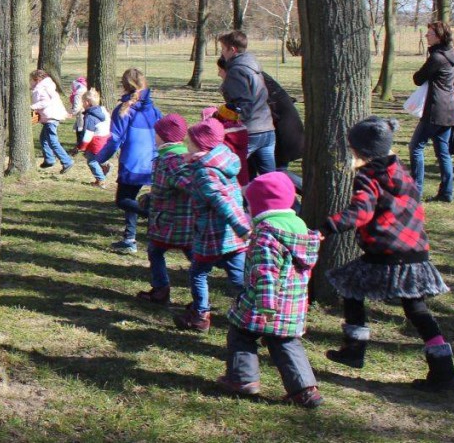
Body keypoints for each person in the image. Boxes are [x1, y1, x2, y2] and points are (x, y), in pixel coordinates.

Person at [321, 116, 454, 393]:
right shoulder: (401, 172)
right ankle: (445, 370)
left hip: (387, 249)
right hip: (415, 250)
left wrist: (328, 226)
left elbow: (361, 212)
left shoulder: (368, 177)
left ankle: (354, 349)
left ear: (359, 150)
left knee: (352, 288)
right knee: (415, 308)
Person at [217, 172, 323, 408]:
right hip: (293, 302)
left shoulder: (267, 235)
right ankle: (305, 390)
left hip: (265, 302)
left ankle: (242, 379)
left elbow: (266, 271)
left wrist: (266, 305)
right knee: (285, 342)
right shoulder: (300, 228)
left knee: (240, 334)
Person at [173, 118, 251, 332]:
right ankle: (254, 311)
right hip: (232, 238)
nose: (186, 147)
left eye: (190, 143)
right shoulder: (223, 162)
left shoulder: (205, 172)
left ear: (200, 146)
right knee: (238, 278)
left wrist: (243, 228)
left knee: (198, 273)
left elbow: (221, 201)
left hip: (212, 235)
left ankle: (201, 315)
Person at [94, 69, 163, 254]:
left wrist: (100, 157)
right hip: (152, 162)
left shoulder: (124, 110)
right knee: (130, 199)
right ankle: (129, 239)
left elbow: (115, 139)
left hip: (133, 163)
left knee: (123, 200)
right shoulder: (154, 110)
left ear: (124, 86)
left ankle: (154, 216)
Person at [135, 114, 194, 305]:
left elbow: (187, 185)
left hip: (171, 219)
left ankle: (163, 290)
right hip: (183, 220)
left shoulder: (170, 161)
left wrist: (155, 198)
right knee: (190, 256)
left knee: (157, 252)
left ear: (162, 136)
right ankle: (164, 290)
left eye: (157, 133)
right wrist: (152, 197)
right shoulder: (183, 157)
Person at [410, 21, 454, 203]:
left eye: (429, 34)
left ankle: (416, 191)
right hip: (449, 110)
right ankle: (447, 192)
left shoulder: (437, 58)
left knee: (416, 147)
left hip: (435, 109)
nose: (426, 36)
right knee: (443, 153)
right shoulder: (451, 55)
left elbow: (418, 78)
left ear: (439, 36)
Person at [217, 31, 276, 176]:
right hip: (267, 129)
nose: (222, 53)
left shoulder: (236, 71)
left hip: (251, 131)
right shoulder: (252, 66)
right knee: (270, 181)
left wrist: (224, 115)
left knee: (235, 175)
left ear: (232, 49)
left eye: (223, 49)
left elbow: (244, 105)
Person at [29, 69, 74, 173]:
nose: (30, 82)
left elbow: (45, 102)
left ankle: (67, 161)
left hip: (51, 118)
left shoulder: (41, 88)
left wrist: (32, 107)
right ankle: (49, 159)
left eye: (31, 80)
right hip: (50, 117)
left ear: (37, 79)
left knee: (52, 141)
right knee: (43, 139)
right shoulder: (46, 86)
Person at [76, 88, 111, 186]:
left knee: (91, 161)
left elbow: (88, 133)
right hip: (106, 138)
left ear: (87, 102)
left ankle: (101, 180)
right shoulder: (102, 110)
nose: (82, 104)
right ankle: (105, 165)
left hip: (96, 141)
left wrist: (82, 146)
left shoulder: (90, 117)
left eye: (83, 102)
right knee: (98, 156)